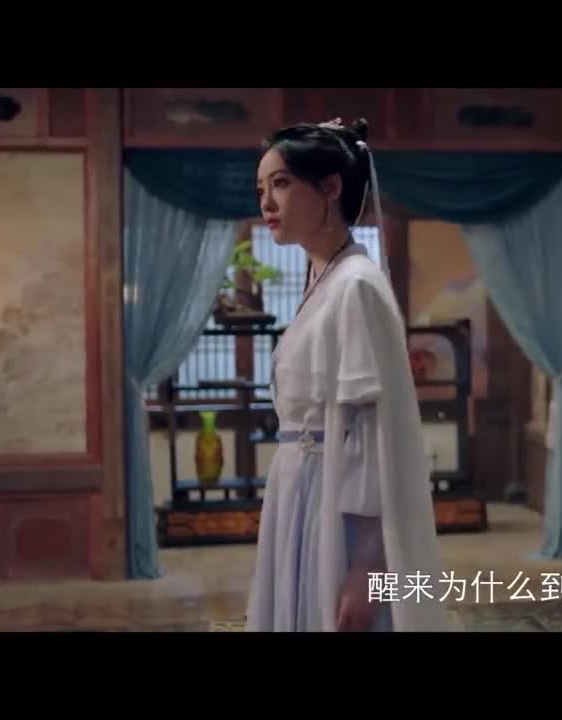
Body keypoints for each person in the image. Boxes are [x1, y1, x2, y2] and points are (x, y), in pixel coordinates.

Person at [245, 118, 451, 632]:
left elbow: (373, 439)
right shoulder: (325, 278)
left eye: (281, 183)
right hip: (299, 490)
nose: (267, 202)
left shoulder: (356, 285)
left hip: (332, 499)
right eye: (262, 189)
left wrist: (366, 570)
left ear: (330, 187)